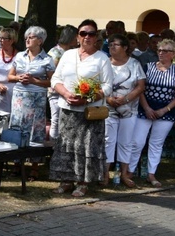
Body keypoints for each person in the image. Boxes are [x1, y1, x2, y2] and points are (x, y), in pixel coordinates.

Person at [49, 20, 114, 197]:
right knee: (66, 147)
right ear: (77, 36)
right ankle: (66, 181)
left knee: (86, 148)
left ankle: (83, 183)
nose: (87, 37)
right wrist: (66, 94)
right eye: (83, 33)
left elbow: (108, 86)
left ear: (96, 37)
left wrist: (89, 97)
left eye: (91, 34)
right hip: (68, 109)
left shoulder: (102, 59)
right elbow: (55, 79)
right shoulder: (68, 55)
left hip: (90, 113)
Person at [7, 26, 56, 180]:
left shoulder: (47, 59)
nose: (27, 40)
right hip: (19, 98)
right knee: (17, 127)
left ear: (40, 41)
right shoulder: (20, 56)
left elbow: (52, 82)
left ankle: (34, 167)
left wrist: (34, 80)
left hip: (36, 99)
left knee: (35, 130)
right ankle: (16, 163)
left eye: (31, 37)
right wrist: (18, 78)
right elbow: (10, 76)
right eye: (26, 37)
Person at [131, 38, 175, 188]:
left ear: (173, 54)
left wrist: (165, 109)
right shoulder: (148, 67)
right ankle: (129, 172)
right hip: (145, 109)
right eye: (160, 50)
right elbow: (140, 88)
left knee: (156, 143)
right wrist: (147, 108)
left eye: (166, 51)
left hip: (166, 111)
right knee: (137, 141)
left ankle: (151, 174)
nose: (161, 53)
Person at [103, 34, 145, 187]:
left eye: (115, 44)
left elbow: (140, 86)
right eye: (110, 44)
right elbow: (98, 85)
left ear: (125, 47)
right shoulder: (105, 63)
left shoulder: (134, 64)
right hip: (108, 109)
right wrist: (108, 99)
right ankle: (105, 174)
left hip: (129, 110)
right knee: (108, 141)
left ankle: (124, 175)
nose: (111, 47)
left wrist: (126, 98)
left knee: (126, 142)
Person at [47, 25, 79, 140]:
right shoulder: (55, 53)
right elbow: (52, 74)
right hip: (56, 93)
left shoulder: (71, 52)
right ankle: (53, 146)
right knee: (56, 120)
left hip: (68, 92)